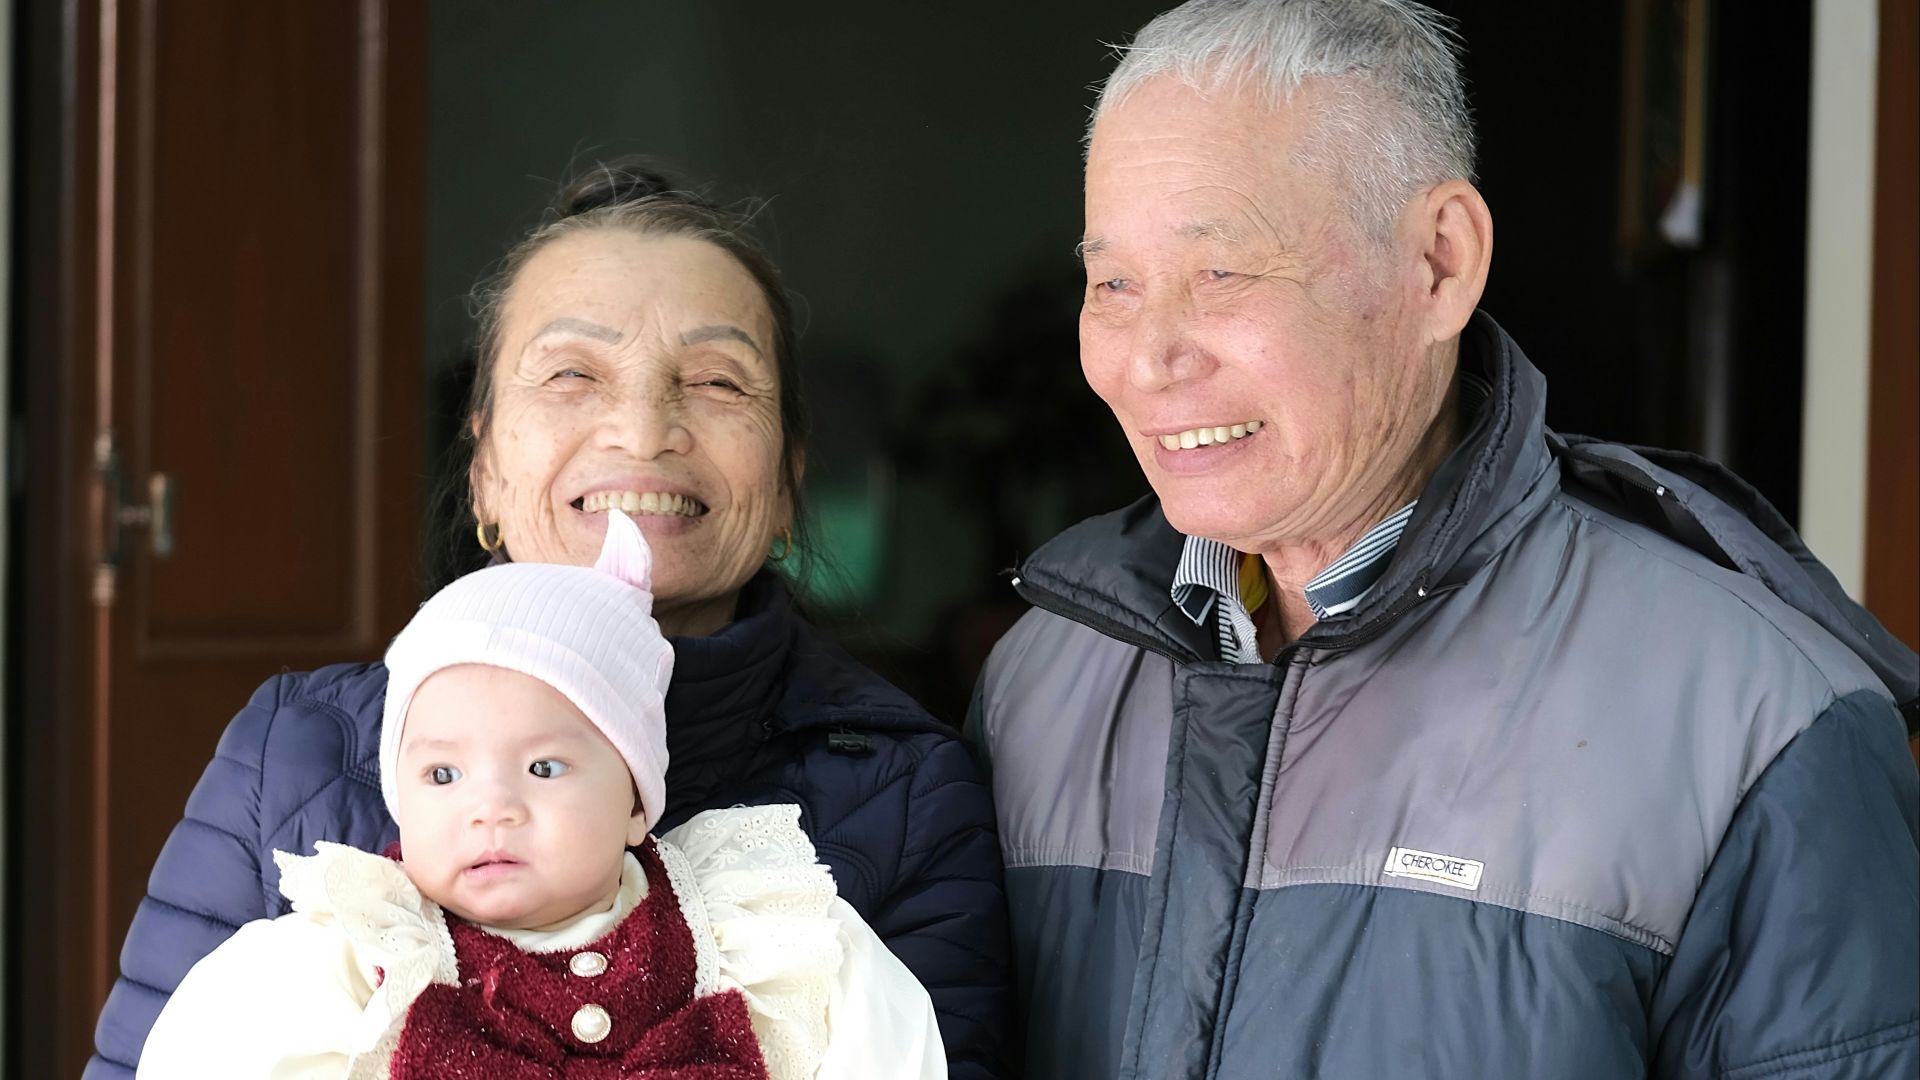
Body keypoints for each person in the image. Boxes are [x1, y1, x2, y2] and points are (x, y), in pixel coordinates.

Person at [970, 2, 1920, 1078]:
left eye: (1221, 274)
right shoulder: (1038, 685)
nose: (1148, 359)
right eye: (1113, 285)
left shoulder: (1756, 722)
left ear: (1439, 263)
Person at [91, 162, 1011, 1079]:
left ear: (785, 484)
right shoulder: (292, 756)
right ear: (484, 469)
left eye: (717, 381)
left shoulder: (909, 793)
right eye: (571, 373)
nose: (641, 432)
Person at [137, 510, 945, 1078]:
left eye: (544, 769)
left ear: (637, 803)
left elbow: (891, 1054)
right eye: (442, 776)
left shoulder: (760, 937)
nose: (492, 807)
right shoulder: (348, 962)